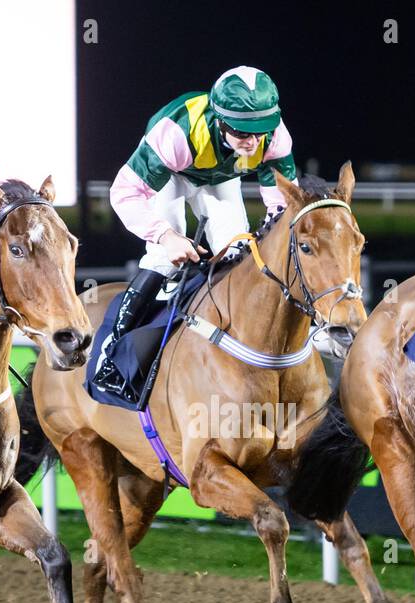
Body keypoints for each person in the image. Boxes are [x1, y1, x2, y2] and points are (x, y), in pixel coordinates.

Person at [92, 66, 298, 403]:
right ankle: (112, 356)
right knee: (164, 258)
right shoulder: (176, 133)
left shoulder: (274, 136)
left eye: (259, 131)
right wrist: (166, 236)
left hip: (219, 178)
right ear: (218, 119)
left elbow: (282, 204)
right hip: (171, 174)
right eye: (241, 131)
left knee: (237, 253)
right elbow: (124, 193)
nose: (252, 141)